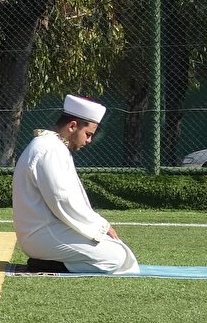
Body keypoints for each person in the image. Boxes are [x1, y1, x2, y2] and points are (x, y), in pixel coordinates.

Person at [13, 94, 139, 273]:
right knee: (117, 258)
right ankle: (46, 264)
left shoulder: (52, 146)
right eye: (88, 134)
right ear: (73, 126)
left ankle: (51, 262)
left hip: (47, 232)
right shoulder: (49, 149)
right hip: (42, 234)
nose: (89, 141)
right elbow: (62, 199)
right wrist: (101, 226)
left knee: (118, 252)